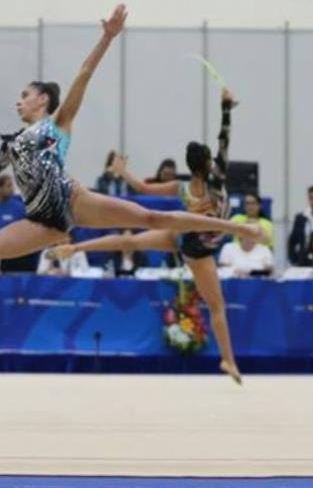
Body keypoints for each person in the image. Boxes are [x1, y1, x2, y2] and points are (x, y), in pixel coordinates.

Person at [0, 5, 263, 303]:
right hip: (42, 221)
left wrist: (106, 38)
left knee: (150, 217)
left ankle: (238, 228)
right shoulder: (9, 144)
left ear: (43, 99)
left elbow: (83, 75)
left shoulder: (57, 124)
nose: (18, 101)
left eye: (25, 95)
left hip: (75, 200)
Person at [80, 87, 249, 381]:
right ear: (208, 163)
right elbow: (224, 139)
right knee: (217, 306)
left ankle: (74, 247)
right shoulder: (217, 180)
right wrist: (225, 108)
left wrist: (122, 172)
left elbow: (144, 189)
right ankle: (228, 361)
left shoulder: (180, 187)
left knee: (129, 240)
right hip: (199, 251)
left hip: (181, 237)